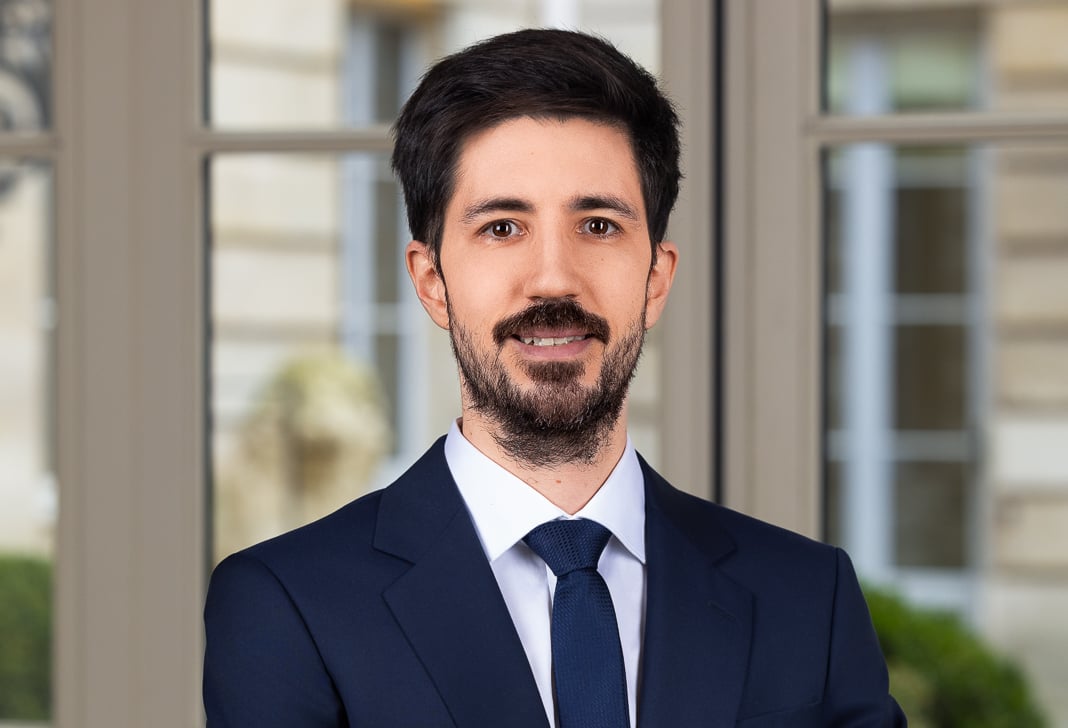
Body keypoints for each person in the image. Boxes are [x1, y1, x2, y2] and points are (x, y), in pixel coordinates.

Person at [203, 29, 905, 727]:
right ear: (432, 281)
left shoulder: (808, 597)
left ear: (656, 280)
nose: (553, 279)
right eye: (502, 228)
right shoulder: (287, 604)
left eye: (597, 226)